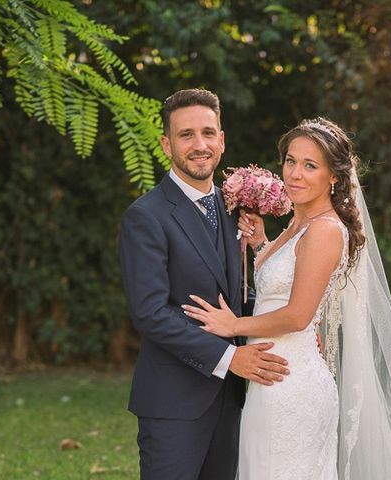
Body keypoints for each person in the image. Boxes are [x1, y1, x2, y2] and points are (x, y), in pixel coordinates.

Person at [183, 117, 391, 479]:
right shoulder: (299, 225)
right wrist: (262, 244)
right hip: (270, 378)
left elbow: (297, 315)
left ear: (333, 177)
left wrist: (233, 324)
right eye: (290, 161)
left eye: (310, 165)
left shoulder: (324, 231)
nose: (294, 173)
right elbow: (282, 287)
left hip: (291, 387)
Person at [118, 88, 290, 480]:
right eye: (186, 135)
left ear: (222, 139)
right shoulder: (145, 216)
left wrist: (289, 327)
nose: (200, 145)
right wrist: (231, 359)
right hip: (173, 403)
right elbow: (150, 313)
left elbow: (241, 298)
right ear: (166, 144)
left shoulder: (234, 211)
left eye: (208, 133)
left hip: (232, 400)